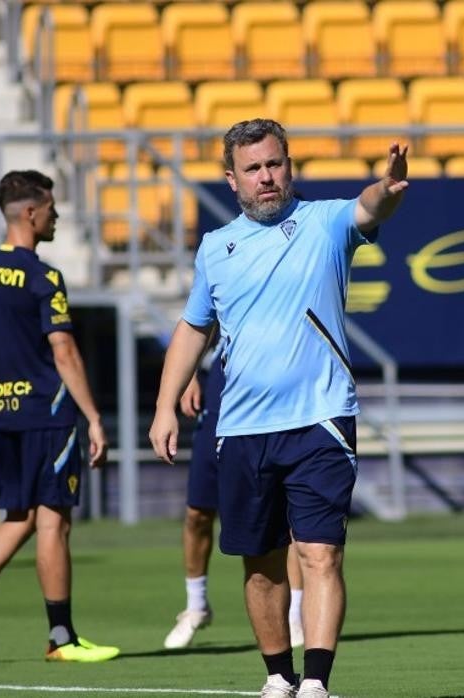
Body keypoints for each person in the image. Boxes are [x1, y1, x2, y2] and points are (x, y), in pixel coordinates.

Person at [149, 118, 408, 698]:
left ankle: (315, 682)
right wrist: (166, 405)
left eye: (274, 164)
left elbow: (369, 208)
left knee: (320, 553)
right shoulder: (217, 249)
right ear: (231, 180)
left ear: (289, 166)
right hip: (241, 427)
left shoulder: (324, 222)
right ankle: (278, 677)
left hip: (319, 419)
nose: (266, 177)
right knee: (260, 563)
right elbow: (193, 328)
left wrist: (385, 189)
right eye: (253, 168)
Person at [0, 170, 118, 664]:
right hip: (46, 412)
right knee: (53, 523)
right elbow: (64, 351)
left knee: (18, 516)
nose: (57, 217)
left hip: (4, 413)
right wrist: (94, 417)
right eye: (53, 209)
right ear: (31, 213)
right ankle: (61, 637)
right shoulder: (42, 276)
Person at [164, 338, 307, 650]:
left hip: (273, 394)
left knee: (286, 517)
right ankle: (196, 605)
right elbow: (199, 321)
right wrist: (188, 376)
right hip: (221, 394)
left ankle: (295, 613)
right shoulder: (225, 285)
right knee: (197, 513)